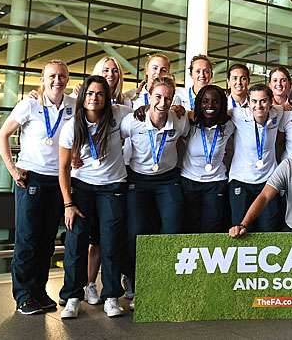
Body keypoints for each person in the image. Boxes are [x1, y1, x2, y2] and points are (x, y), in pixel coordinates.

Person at [0, 60, 75, 315]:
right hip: (31, 179)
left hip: (59, 181)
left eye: (62, 76)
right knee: (27, 241)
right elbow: (2, 136)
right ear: (43, 79)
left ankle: (39, 292)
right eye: (52, 76)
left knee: (46, 242)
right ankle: (22, 296)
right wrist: (12, 169)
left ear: (67, 79)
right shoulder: (29, 104)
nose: (57, 80)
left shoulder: (73, 106)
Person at [58, 75, 131, 319]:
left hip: (113, 187)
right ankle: (72, 297)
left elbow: (144, 112)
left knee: (110, 242)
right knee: (75, 244)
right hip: (82, 188)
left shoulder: (118, 115)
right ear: (83, 96)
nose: (94, 98)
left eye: (100, 94)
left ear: (107, 97)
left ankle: (111, 297)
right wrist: (68, 203)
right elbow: (63, 168)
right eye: (90, 93)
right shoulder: (72, 126)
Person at [120, 76, 189, 309]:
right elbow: (113, 140)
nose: (162, 101)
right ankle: (136, 282)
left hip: (168, 180)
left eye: (167, 97)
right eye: (158, 96)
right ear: (149, 97)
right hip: (137, 181)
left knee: (171, 230)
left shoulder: (179, 120)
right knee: (136, 232)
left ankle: (162, 283)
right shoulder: (132, 121)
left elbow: (191, 135)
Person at [181, 85, 235, 233]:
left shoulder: (229, 125)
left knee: (212, 227)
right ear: (199, 103)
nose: (210, 105)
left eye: (215, 101)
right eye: (205, 101)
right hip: (189, 181)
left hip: (216, 183)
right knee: (190, 227)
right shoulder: (189, 124)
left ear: (222, 104)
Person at [229, 84, 283, 232]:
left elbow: (288, 108)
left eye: (263, 101)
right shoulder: (237, 114)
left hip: (268, 181)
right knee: (240, 229)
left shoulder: (279, 113)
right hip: (241, 180)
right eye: (254, 101)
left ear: (271, 101)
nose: (258, 105)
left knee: (269, 229)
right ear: (248, 102)